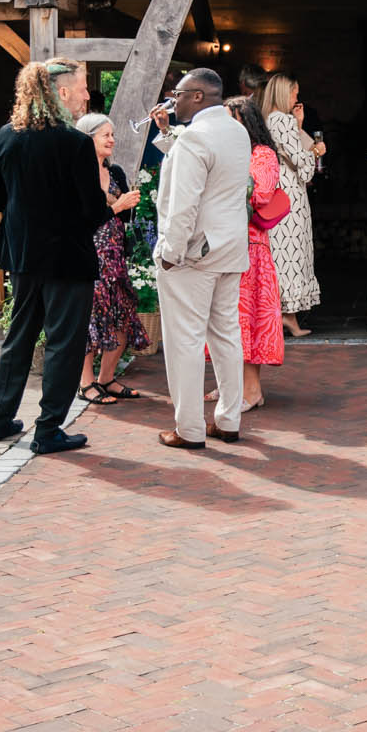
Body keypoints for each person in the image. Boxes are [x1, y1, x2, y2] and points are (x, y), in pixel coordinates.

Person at [0, 62, 119, 454]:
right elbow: (92, 210)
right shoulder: (74, 143)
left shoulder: (8, 135)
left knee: (19, 336)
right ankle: (48, 429)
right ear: (59, 93)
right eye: (81, 88)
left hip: (22, 254)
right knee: (64, 341)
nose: (86, 95)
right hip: (66, 255)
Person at [152, 68, 251, 449]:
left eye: (178, 93)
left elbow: (183, 204)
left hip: (194, 253)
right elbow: (208, 174)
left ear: (197, 97)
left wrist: (170, 254)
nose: (171, 99)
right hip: (230, 248)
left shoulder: (195, 136)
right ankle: (228, 420)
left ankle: (189, 429)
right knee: (227, 335)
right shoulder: (235, 130)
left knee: (185, 342)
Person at [73, 112, 147, 404]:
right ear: (88, 138)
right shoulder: (77, 173)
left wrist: (128, 204)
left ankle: (107, 378)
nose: (112, 140)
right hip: (91, 254)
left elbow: (125, 214)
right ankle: (85, 383)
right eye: (106, 135)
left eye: (112, 134)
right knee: (91, 319)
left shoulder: (114, 171)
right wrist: (116, 206)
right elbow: (81, 218)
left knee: (122, 315)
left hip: (116, 255)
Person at [227, 97, 284, 410]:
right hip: (227, 245)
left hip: (250, 246)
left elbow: (260, 193)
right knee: (228, 320)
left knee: (248, 319)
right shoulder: (231, 151)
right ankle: (231, 385)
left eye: (231, 119)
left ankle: (252, 390)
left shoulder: (262, 154)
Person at [260, 72, 324, 336]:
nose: (298, 98)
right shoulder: (282, 120)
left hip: (280, 188)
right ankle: (289, 316)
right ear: (284, 93)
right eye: (295, 93)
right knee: (293, 251)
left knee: (282, 252)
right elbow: (302, 163)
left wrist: (299, 124)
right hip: (291, 193)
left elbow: (288, 149)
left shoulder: (269, 120)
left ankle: (281, 313)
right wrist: (316, 154)